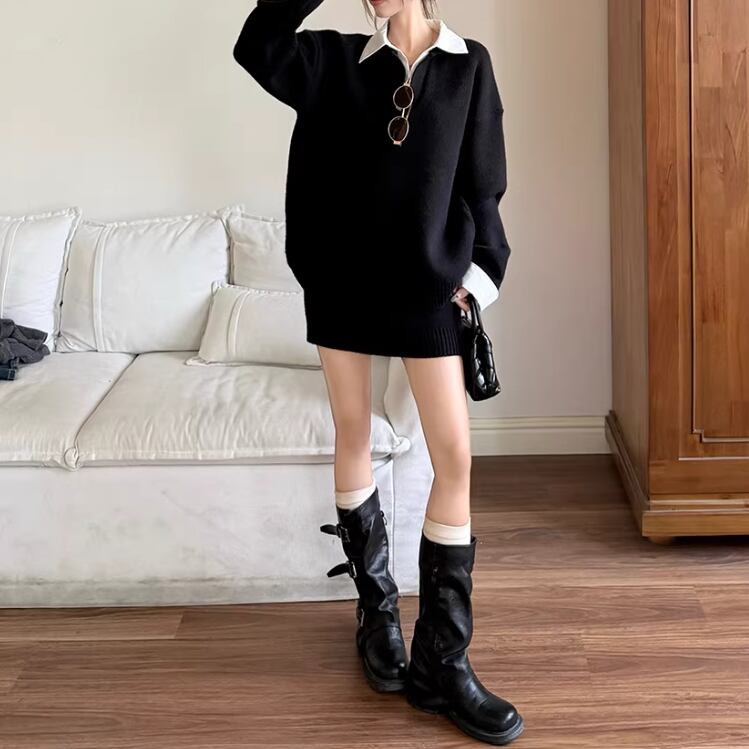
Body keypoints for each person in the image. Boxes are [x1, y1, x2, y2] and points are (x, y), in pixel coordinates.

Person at [233, 0, 522, 744]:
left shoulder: (468, 65)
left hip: (428, 291)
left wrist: (478, 277)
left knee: (453, 456)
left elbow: (483, 184)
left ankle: (441, 662)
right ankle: (377, 614)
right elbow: (256, 44)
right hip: (343, 284)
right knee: (354, 430)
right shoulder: (333, 61)